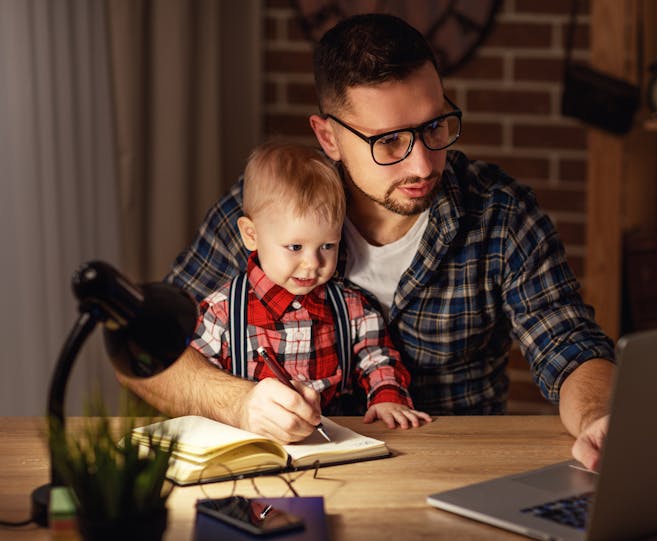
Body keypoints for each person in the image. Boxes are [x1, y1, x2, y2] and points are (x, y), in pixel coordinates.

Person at [117, 13, 615, 470]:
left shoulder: (500, 216)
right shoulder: (261, 217)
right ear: (328, 137)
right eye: (389, 141)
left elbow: (568, 344)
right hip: (287, 479)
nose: (422, 165)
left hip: (454, 472)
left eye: (435, 125)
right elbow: (146, 353)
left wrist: (598, 416)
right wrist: (239, 402)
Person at [189, 140, 431, 436]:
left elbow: (377, 356)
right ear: (251, 235)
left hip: (337, 441)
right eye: (295, 247)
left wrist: (387, 397)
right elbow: (198, 381)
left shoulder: (351, 308)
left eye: (327, 246)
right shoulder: (222, 311)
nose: (312, 263)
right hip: (255, 444)